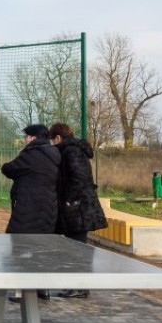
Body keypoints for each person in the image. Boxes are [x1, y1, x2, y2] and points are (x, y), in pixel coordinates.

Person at [0, 123, 61, 301]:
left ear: (33, 138)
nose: (25, 140)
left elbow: (9, 168)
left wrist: (5, 165)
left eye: (26, 136)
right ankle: (43, 289)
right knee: (42, 248)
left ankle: (22, 291)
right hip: (49, 207)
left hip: (28, 207)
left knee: (21, 246)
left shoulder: (31, 154)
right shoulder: (55, 153)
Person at [49, 122, 108, 299]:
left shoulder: (70, 152)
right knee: (76, 246)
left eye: (53, 140)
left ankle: (80, 287)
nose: (53, 144)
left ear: (58, 138)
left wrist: (69, 200)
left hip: (78, 208)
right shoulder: (74, 150)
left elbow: (77, 176)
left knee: (77, 247)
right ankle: (78, 286)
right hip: (80, 205)